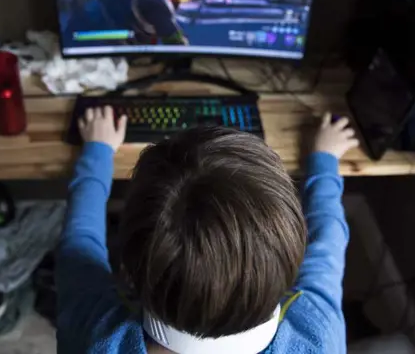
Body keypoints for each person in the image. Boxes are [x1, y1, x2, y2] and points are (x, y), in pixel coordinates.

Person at [57, 106, 359, 354]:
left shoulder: (94, 333)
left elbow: (79, 240)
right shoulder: (317, 336)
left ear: (129, 267)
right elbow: (328, 238)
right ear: (294, 252)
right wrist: (325, 158)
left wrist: (98, 150)